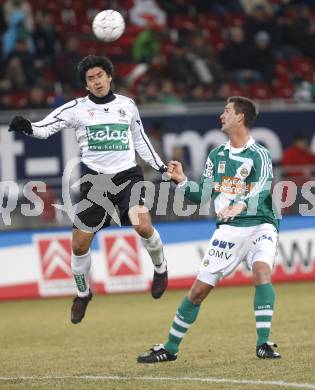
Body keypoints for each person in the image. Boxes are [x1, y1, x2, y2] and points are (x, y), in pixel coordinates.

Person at [8, 55, 169, 324]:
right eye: (90, 79)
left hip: (128, 175)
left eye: (100, 76)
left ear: (109, 77)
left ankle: (161, 269)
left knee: (141, 224)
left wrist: (162, 168)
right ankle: (83, 294)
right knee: (80, 244)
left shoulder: (127, 105)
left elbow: (141, 141)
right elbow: (45, 128)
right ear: (86, 84)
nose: (97, 81)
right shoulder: (76, 108)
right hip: (94, 181)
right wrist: (28, 127)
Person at [137, 96, 281, 363]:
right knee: (198, 291)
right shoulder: (217, 155)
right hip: (228, 229)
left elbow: (262, 188)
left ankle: (264, 343)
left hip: (261, 224)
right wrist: (181, 181)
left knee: (262, 271)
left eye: (227, 111)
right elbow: (202, 195)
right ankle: (170, 348)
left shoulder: (260, 154)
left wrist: (240, 204)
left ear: (241, 117)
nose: (221, 115)